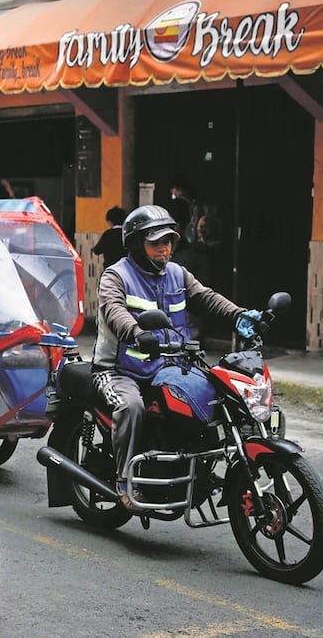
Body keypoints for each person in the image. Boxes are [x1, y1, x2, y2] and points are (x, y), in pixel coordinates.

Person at [91, 204, 258, 509]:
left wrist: (239, 315)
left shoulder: (177, 273)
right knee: (131, 407)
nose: (164, 249)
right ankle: (124, 480)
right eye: (156, 243)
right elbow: (114, 311)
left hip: (169, 366)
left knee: (218, 396)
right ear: (136, 244)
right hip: (119, 371)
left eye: (168, 242)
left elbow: (206, 297)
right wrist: (135, 331)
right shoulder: (115, 276)